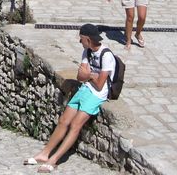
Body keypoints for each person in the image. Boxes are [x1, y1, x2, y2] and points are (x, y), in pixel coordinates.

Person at [23, 24, 115, 173]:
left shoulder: (106, 56)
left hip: (96, 95)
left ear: (87, 39)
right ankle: (44, 154)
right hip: (84, 90)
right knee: (63, 121)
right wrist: (91, 76)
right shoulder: (87, 52)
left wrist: (89, 75)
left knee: (75, 125)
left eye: (81, 39)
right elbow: (80, 77)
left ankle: (54, 160)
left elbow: (99, 85)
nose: (80, 41)